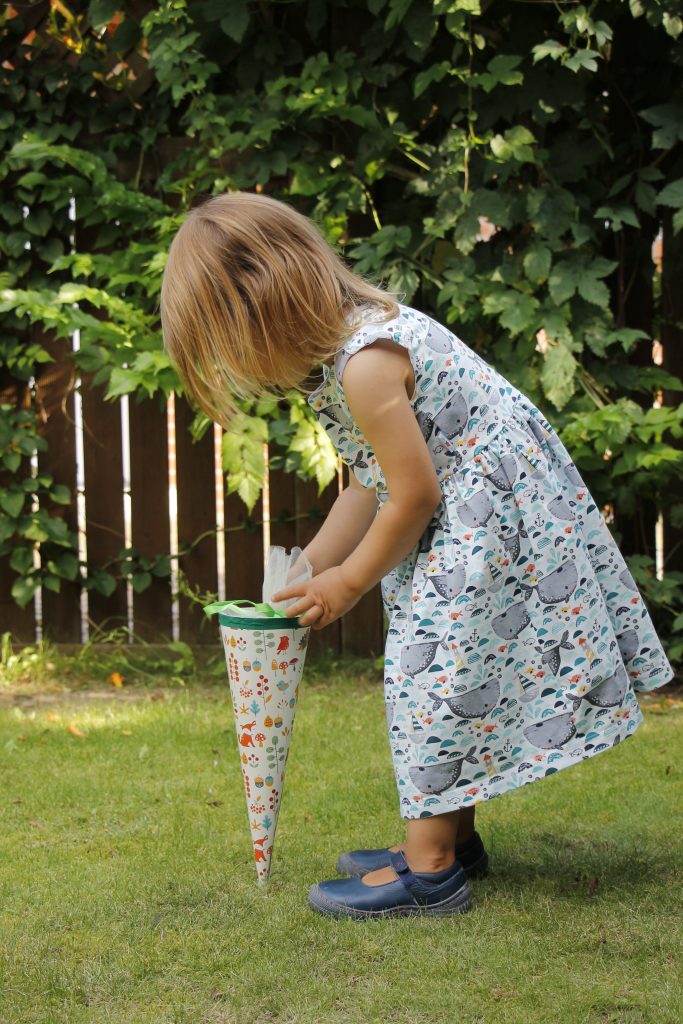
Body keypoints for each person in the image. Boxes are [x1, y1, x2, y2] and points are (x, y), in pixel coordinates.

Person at [160, 190, 674, 920]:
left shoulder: (365, 365)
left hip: (491, 524)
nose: (246, 372)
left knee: (426, 675)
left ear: (264, 303)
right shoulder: (345, 353)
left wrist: (348, 582)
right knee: (445, 668)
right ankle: (452, 844)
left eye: (234, 348)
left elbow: (412, 495)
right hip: (478, 515)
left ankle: (431, 874)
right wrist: (307, 569)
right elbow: (366, 487)